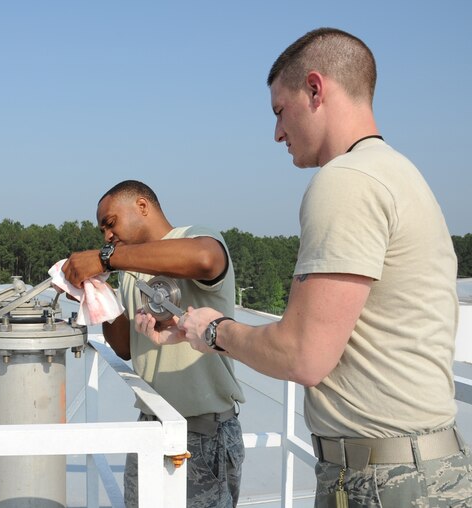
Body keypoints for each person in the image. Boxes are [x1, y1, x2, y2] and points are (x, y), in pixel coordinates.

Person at [147, 28, 472, 506]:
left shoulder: (344, 182)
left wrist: (215, 330)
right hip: (422, 466)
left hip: (382, 480)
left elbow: (303, 355)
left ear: (315, 90)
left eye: (280, 111)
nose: (277, 132)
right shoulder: (400, 173)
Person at [63, 179, 245, 508]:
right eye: (102, 231)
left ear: (142, 207)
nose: (106, 236)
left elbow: (205, 259)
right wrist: (95, 295)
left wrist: (105, 258)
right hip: (150, 427)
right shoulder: (130, 271)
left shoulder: (194, 237)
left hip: (203, 433)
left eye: (110, 223)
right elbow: (125, 347)